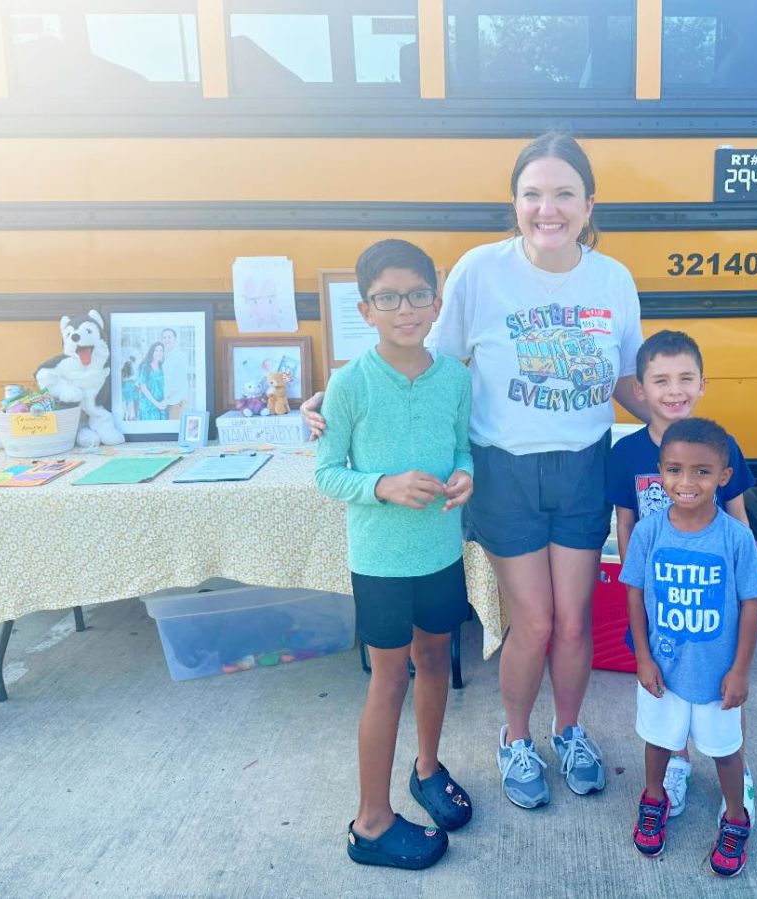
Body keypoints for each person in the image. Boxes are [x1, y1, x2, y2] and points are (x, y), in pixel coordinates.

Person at [302, 132, 647, 809]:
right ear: (515, 203)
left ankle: (569, 731)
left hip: (582, 466)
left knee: (576, 621)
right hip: (504, 471)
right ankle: (517, 738)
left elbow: (628, 378)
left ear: (589, 204)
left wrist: (676, 419)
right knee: (538, 622)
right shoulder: (479, 272)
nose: (548, 209)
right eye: (533, 195)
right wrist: (329, 396)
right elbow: (423, 357)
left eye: (563, 194)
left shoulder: (614, 279)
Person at [315, 238, 474, 871]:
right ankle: (371, 822)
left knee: (435, 659)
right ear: (365, 309)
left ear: (436, 303)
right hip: (380, 559)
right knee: (389, 678)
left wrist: (466, 477)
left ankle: (427, 770)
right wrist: (383, 486)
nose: (404, 309)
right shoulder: (349, 383)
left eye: (416, 295)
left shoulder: (455, 377)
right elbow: (328, 474)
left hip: (440, 549)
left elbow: (462, 448)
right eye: (388, 298)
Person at [605, 330, 756, 821]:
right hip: (662, 597)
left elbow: (739, 517)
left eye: (686, 378)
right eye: (662, 379)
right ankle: (677, 763)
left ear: (702, 384)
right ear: (641, 388)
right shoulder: (626, 453)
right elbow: (627, 523)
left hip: (715, 593)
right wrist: (640, 592)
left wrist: (754, 585)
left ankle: (736, 768)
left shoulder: (722, 444)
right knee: (665, 689)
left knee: (720, 686)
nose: (675, 390)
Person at [620, 418, 757, 877]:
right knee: (659, 740)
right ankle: (653, 797)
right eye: (675, 470)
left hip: (716, 672)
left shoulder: (735, 538)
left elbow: (750, 605)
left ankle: (735, 817)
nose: (686, 483)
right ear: (659, 472)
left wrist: (740, 669)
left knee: (725, 750)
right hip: (662, 668)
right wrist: (642, 656)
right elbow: (635, 594)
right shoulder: (648, 533)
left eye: (702, 472)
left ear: (724, 476)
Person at [160, 327, 189, 420]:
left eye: (169, 337)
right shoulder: (160, 356)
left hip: (176, 400)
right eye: (164, 338)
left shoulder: (180, 356)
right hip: (162, 400)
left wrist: (167, 396)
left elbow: (180, 380)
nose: (166, 340)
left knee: (174, 427)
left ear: (175, 339)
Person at [136, 342, 167, 420]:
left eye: (161, 351)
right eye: (156, 350)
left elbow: (164, 387)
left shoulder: (162, 367)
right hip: (148, 407)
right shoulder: (145, 366)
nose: (158, 353)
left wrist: (164, 401)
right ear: (152, 352)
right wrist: (156, 404)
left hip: (161, 405)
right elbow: (143, 388)